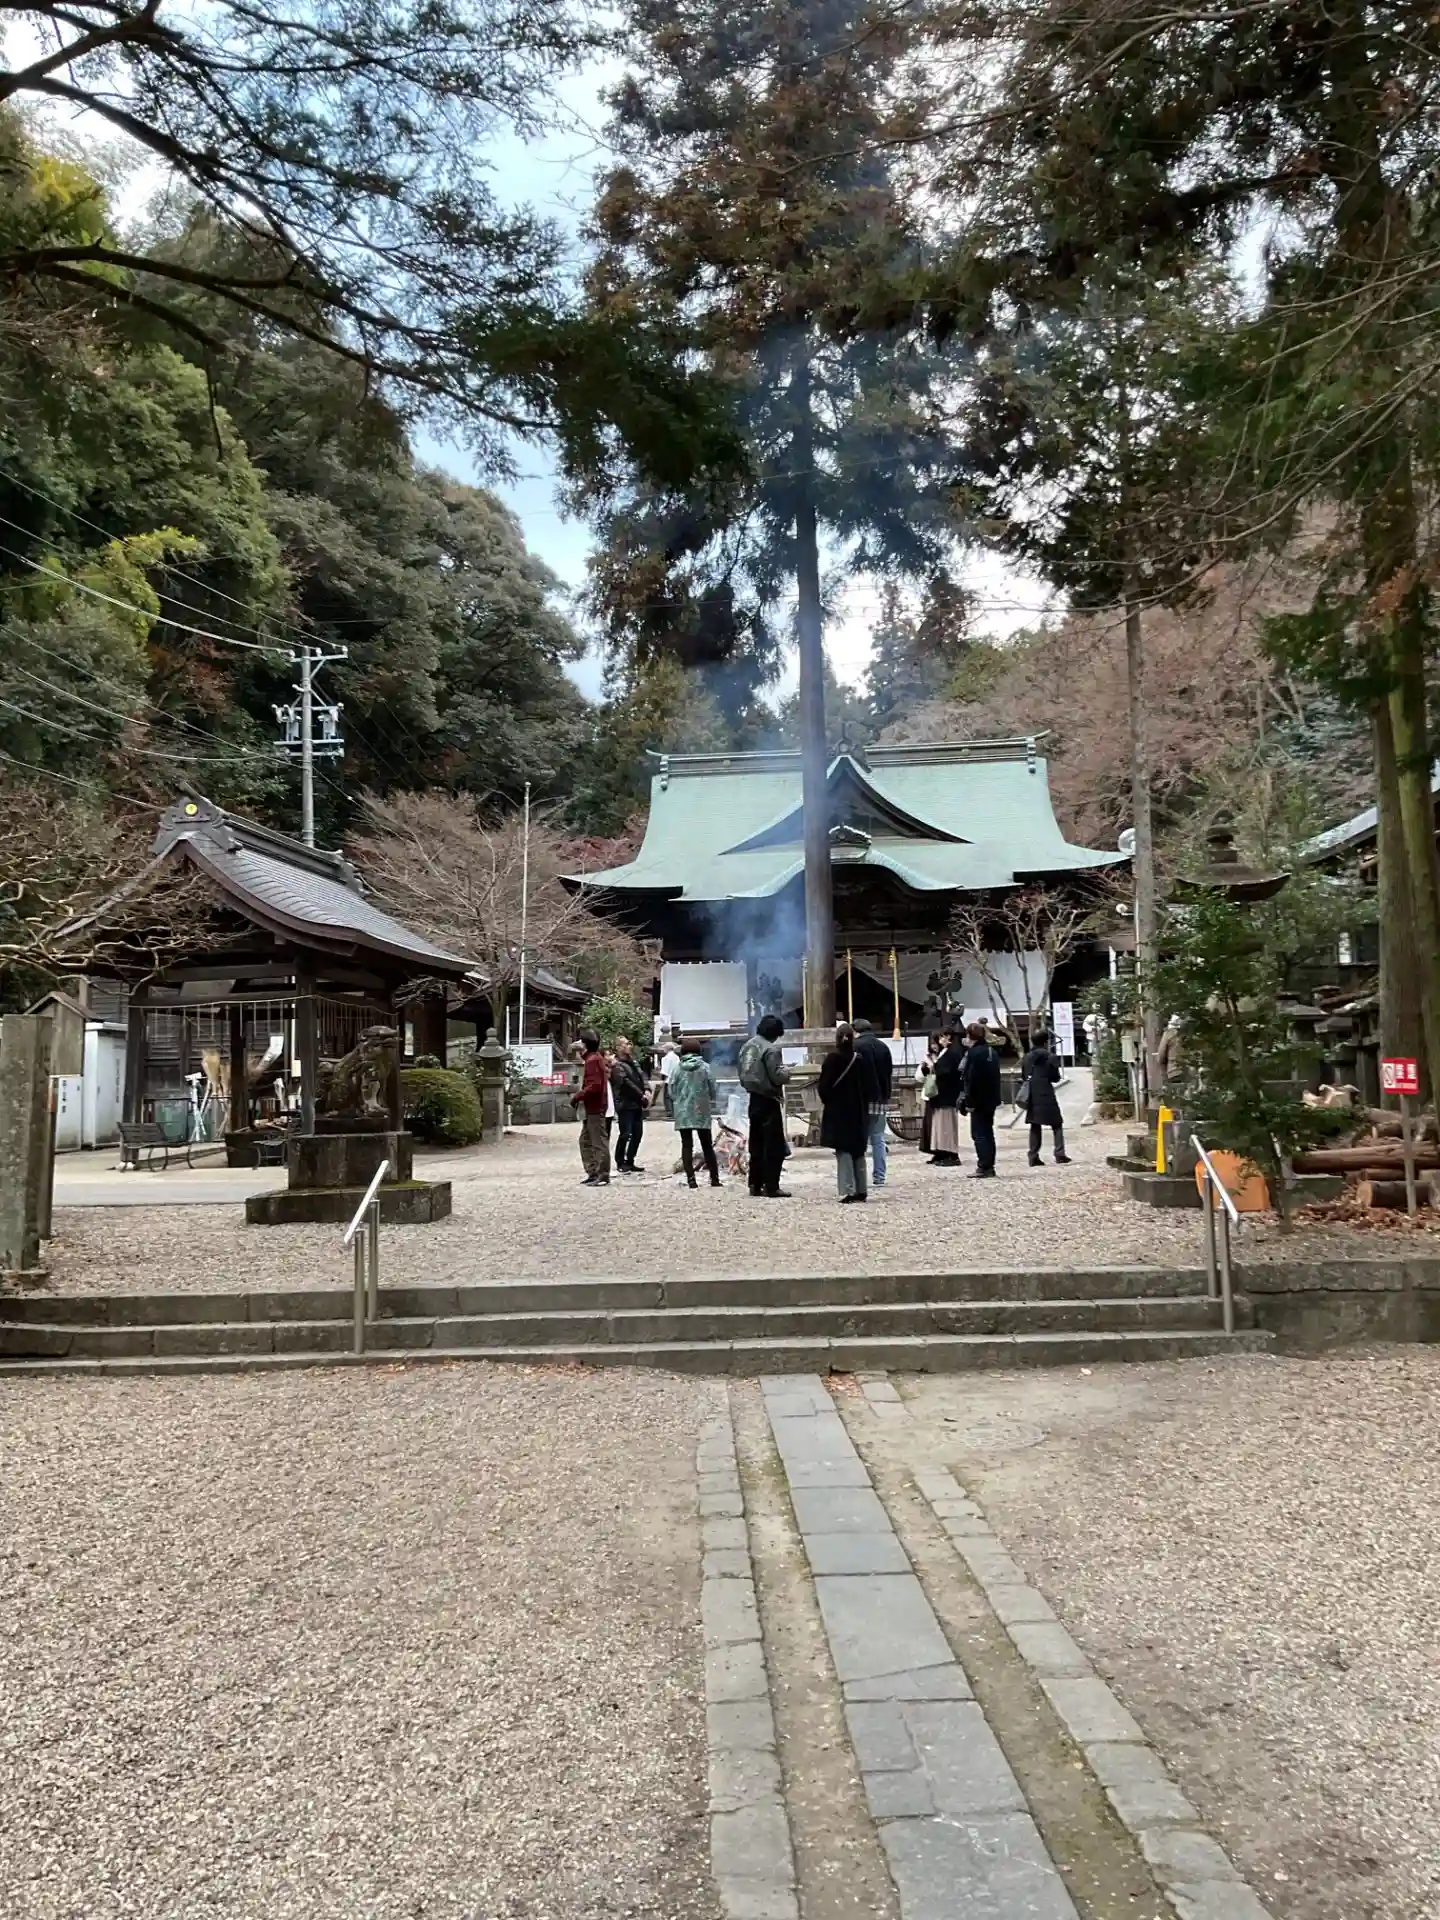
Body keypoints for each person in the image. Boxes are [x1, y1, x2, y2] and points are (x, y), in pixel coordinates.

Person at [818, 1022, 881, 1203]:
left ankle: (847, 1189)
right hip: (859, 1110)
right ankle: (861, 1189)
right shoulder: (860, 1060)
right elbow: (871, 1086)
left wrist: (830, 1101)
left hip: (839, 1111)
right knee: (858, 1150)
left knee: (844, 1149)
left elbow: (824, 1088)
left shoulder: (832, 1059)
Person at [738, 1013, 792, 1198]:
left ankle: (755, 1183)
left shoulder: (747, 1046)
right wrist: (787, 1072)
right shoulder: (771, 1050)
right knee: (773, 1145)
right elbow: (777, 1076)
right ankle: (771, 1185)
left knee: (756, 1143)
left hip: (753, 1098)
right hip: (768, 1098)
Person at [669, 1038, 722, 1187]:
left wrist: (678, 1100)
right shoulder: (705, 1067)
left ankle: (691, 1179)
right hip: (701, 1108)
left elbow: (671, 1090)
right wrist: (710, 1099)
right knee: (707, 1145)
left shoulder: (677, 1068)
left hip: (683, 1110)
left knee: (687, 1145)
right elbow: (713, 1087)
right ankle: (714, 1179)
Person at [851, 1018, 894, 1188]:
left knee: (858, 1139)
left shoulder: (856, 1046)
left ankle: (858, 1177)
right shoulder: (883, 1046)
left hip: (861, 1099)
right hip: (880, 1097)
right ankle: (879, 1176)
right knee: (878, 1139)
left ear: (855, 1031)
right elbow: (889, 1073)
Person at [1020, 1027, 1069, 1166]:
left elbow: (1024, 1075)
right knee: (1057, 1123)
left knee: (1035, 1124)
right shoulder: (1050, 1057)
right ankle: (1059, 1153)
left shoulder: (1027, 1057)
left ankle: (1033, 1155)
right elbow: (1055, 1077)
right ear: (1046, 1042)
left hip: (1032, 1093)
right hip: (1046, 1092)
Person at [960, 1021, 1002, 1177]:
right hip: (991, 1097)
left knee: (979, 1133)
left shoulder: (973, 1054)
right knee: (988, 1131)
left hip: (978, 1099)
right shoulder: (991, 1052)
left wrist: (969, 1100)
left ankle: (984, 1165)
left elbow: (971, 1079)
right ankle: (989, 1163)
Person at [571, 1029, 610, 1186]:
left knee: (597, 1141)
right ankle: (593, 1171)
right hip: (594, 1106)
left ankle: (602, 1173)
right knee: (586, 1140)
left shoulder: (592, 1060)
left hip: (595, 1106)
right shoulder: (594, 1058)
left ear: (585, 1044)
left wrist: (578, 1096)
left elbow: (594, 1086)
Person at [610, 1034, 650, 1174]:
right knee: (625, 1133)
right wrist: (641, 1094)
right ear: (618, 1047)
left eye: (629, 1043)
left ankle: (630, 1159)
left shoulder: (633, 1061)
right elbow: (625, 1083)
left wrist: (647, 1089)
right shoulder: (617, 1065)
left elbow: (642, 1075)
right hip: (625, 1103)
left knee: (638, 1133)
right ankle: (620, 1161)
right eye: (626, 1044)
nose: (629, 1046)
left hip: (637, 1103)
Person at [928, 1028, 965, 1166]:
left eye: (943, 1037)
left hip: (948, 1094)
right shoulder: (944, 1052)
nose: (941, 1040)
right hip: (940, 1094)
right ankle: (940, 1152)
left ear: (949, 1037)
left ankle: (951, 1153)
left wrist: (933, 1065)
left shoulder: (953, 1052)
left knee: (947, 1125)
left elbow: (947, 1072)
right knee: (939, 1125)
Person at [918, 1032, 943, 1157]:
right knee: (928, 1123)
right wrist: (925, 1067)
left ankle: (939, 1151)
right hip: (930, 1091)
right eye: (932, 1043)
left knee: (938, 1125)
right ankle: (931, 1150)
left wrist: (933, 1065)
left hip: (940, 1092)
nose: (934, 1046)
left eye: (935, 1043)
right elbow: (920, 1077)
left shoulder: (943, 1056)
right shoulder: (928, 1057)